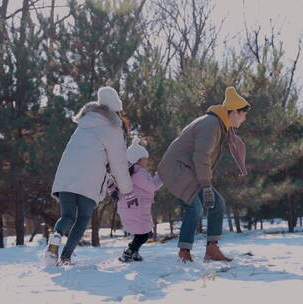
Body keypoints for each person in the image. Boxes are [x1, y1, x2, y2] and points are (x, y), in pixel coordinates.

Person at [45, 86, 137, 266]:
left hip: (66, 176)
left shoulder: (83, 125)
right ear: (116, 109)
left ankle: (56, 237)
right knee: (82, 218)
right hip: (90, 180)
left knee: (67, 216)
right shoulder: (113, 128)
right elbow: (118, 163)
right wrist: (127, 189)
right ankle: (65, 257)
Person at [157, 87, 250, 262]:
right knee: (195, 207)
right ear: (234, 112)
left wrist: (206, 184)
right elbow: (201, 156)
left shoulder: (220, 126)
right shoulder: (211, 124)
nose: (244, 119)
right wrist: (206, 185)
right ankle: (184, 253)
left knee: (218, 204)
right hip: (177, 169)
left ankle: (212, 250)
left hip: (189, 170)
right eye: (243, 114)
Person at [108, 136, 163, 262]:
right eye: (145, 160)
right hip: (137, 208)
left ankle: (134, 252)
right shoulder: (139, 173)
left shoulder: (127, 173)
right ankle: (129, 252)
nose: (146, 162)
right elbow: (152, 186)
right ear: (137, 160)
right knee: (144, 234)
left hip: (129, 207)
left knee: (142, 233)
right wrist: (160, 177)